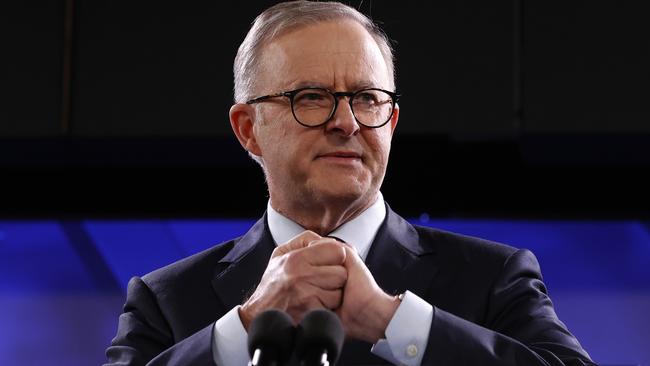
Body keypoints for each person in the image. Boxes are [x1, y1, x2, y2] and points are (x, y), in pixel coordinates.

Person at [105, 1, 595, 365]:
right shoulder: (166, 300)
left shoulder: (493, 278)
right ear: (248, 129)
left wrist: (392, 320)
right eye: (312, 97)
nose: (347, 122)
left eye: (367, 98)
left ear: (392, 122)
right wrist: (245, 327)